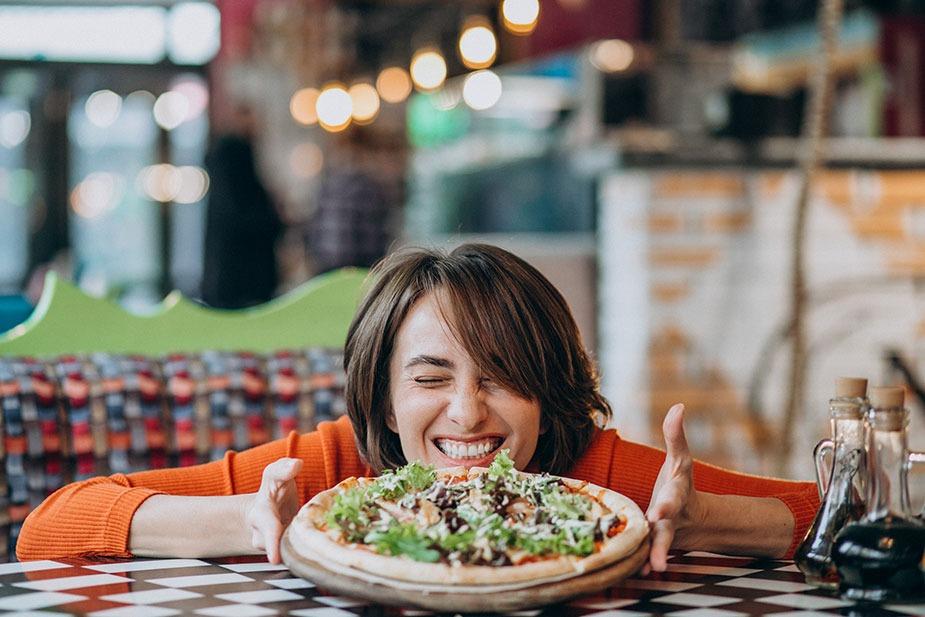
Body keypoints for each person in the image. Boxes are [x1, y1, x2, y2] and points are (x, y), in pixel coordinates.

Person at [17, 244, 818, 573]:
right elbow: (52, 524)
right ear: (384, 397)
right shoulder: (332, 469)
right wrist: (256, 522)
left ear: (549, 388)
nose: (467, 414)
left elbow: (852, 524)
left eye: (502, 375)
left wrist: (704, 518)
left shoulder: (598, 482)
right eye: (431, 378)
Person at [201, 105, 283, 308]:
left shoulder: (231, 156)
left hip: (232, 274)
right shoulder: (234, 156)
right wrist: (275, 222)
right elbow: (239, 214)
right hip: (241, 274)